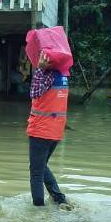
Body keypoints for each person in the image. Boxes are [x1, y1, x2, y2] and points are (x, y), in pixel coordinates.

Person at [27, 51, 71, 209]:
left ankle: (38, 209)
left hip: (41, 130)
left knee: (36, 172)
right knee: (41, 166)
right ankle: (59, 199)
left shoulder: (49, 75)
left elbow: (34, 93)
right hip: (55, 131)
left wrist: (39, 69)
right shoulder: (63, 75)